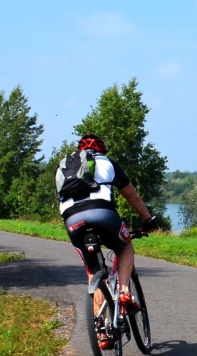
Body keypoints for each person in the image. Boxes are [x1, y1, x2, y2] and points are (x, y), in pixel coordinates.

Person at [57, 134, 157, 345]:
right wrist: (148, 220)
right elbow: (132, 196)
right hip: (102, 214)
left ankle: (102, 334)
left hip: (72, 221)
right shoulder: (107, 163)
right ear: (102, 150)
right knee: (125, 247)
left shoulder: (65, 166)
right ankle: (123, 291)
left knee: (94, 273)